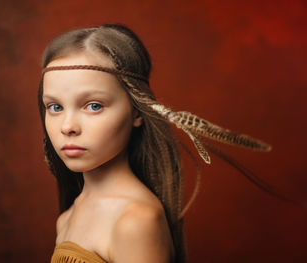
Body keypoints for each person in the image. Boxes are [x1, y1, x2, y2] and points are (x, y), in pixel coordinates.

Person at [38, 24, 271, 263]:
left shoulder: (136, 221)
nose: (67, 127)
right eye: (55, 107)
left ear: (137, 112)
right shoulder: (68, 216)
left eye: (94, 105)